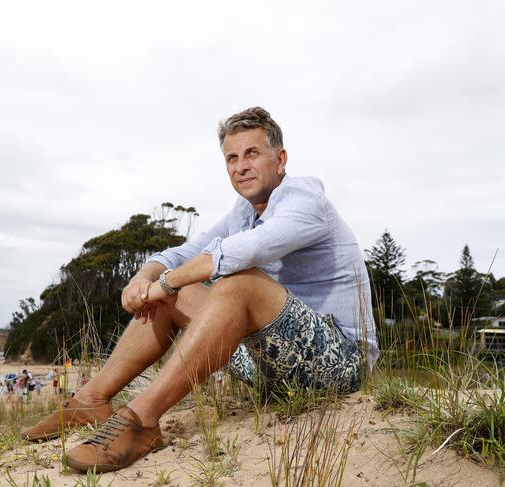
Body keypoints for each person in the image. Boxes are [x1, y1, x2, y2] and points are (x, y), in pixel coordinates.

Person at [20, 107, 379, 473]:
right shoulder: (244, 211)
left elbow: (244, 251)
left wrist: (165, 282)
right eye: (232, 158)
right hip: (273, 366)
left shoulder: (305, 198)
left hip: (339, 364)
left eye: (252, 153)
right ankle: (90, 401)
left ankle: (142, 420)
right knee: (179, 291)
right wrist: (143, 278)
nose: (241, 166)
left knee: (238, 280)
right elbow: (186, 252)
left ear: (280, 159)